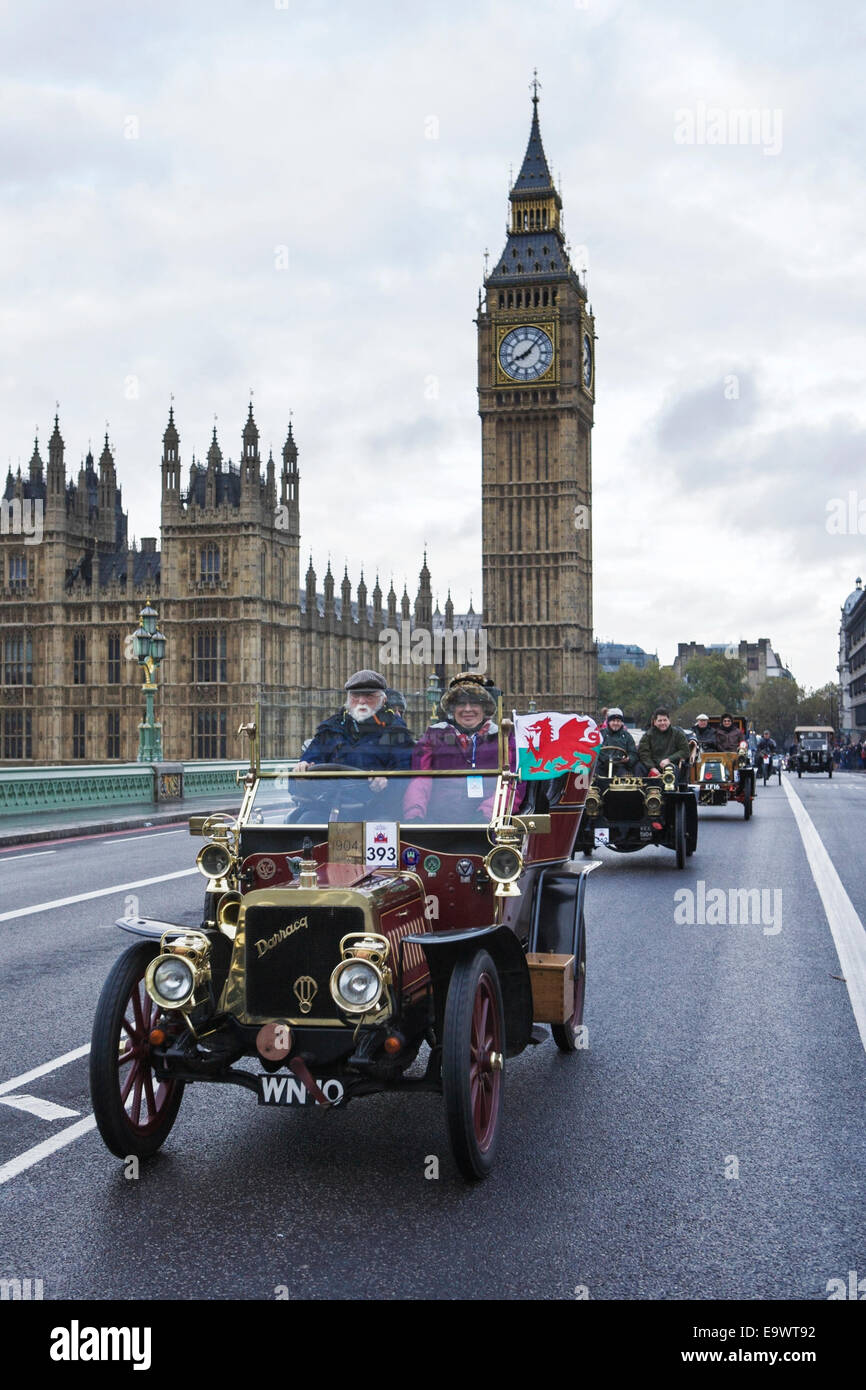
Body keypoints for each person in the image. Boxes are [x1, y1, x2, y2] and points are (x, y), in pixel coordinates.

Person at [403, 672, 521, 821]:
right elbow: (420, 779)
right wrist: (415, 814)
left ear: (485, 708)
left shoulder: (502, 737)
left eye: (474, 703)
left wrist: (488, 813)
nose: (467, 709)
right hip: (441, 824)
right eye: (461, 703)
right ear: (452, 708)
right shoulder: (434, 735)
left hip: (487, 824)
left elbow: (511, 783)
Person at [297, 670, 414, 788]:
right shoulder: (330, 729)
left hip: (374, 804)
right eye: (355, 695)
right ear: (348, 699)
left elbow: (405, 780)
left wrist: (386, 782)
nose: (361, 701)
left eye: (369, 695)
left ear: (383, 701)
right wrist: (303, 768)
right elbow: (308, 766)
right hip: (328, 802)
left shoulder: (397, 732)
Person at [638, 707, 690, 778]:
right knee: (638, 767)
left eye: (665, 720)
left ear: (669, 720)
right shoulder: (647, 735)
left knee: (671, 770)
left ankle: (671, 789)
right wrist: (652, 768)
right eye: (660, 720)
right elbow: (643, 753)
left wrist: (669, 759)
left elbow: (685, 751)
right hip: (651, 766)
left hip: (670, 765)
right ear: (655, 722)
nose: (663, 723)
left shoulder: (678, 734)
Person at [597, 707, 644, 775]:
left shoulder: (627, 736)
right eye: (613, 721)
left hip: (620, 766)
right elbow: (594, 751)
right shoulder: (600, 734)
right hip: (602, 766)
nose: (616, 723)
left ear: (622, 723)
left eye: (618, 721)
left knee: (625, 777)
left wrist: (628, 759)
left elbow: (633, 753)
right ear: (608, 722)